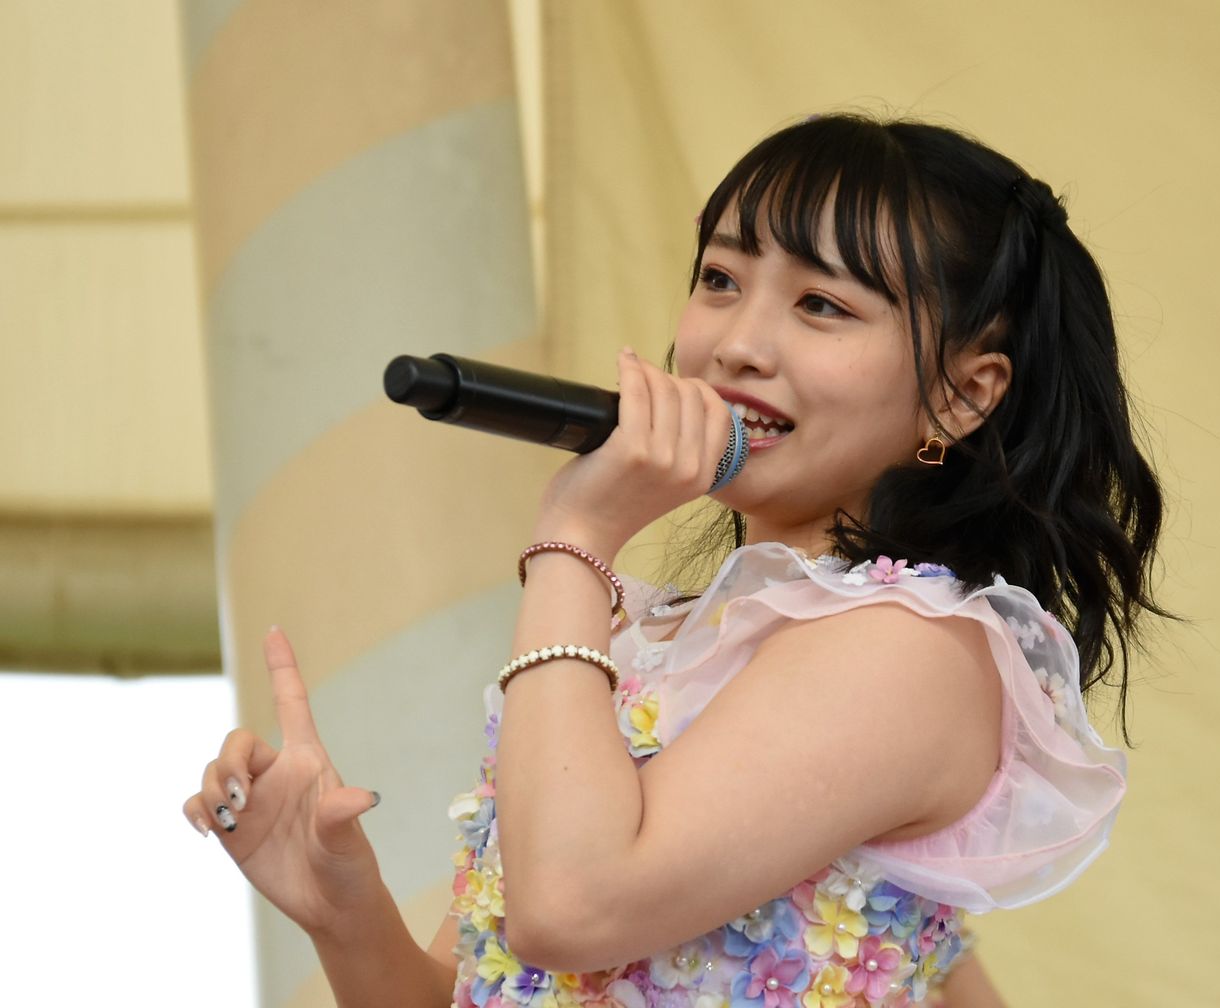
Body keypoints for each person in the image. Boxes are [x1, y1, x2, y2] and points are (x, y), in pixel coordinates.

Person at [183, 113, 1166, 1007]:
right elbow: (500, 984)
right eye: (720, 280)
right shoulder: (642, 639)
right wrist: (345, 913)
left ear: (962, 394)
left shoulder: (909, 650)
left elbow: (570, 908)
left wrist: (575, 537)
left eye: (820, 303)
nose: (735, 345)